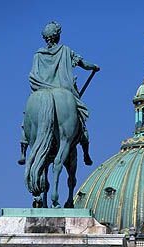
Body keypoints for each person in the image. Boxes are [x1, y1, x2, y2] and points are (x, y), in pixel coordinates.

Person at [18, 20, 100, 166]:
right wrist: (94, 67)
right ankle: (86, 153)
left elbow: (33, 74)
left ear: (45, 37)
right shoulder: (66, 51)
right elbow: (84, 64)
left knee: (26, 117)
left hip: (41, 89)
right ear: (57, 36)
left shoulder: (38, 54)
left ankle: (23, 151)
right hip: (64, 91)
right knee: (80, 119)